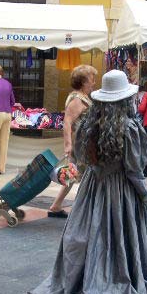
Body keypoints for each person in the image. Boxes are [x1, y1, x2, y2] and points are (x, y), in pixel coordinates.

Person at [24, 70, 147, 294]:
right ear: (125, 100)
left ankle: (87, 278)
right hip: (121, 191)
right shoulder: (130, 128)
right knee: (118, 235)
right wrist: (146, 197)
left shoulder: (90, 125)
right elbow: (134, 170)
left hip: (92, 188)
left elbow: (81, 161)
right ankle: (114, 278)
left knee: (90, 234)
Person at [48, 65, 96, 218]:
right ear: (83, 81)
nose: (94, 82)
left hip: (82, 142)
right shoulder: (77, 99)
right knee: (88, 175)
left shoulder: (80, 97)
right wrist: (67, 145)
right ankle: (83, 210)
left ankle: (55, 206)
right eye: (91, 79)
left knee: (72, 174)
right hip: (80, 144)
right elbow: (67, 122)